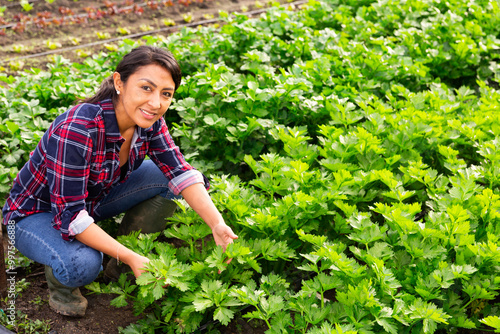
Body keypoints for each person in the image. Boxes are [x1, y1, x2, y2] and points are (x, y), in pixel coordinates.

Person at [2, 45, 238, 317]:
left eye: (166, 94)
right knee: (83, 264)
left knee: (168, 179)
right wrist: (127, 253)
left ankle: (124, 266)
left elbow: (180, 172)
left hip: (92, 199)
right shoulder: (78, 129)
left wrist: (217, 224)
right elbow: (69, 214)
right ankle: (65, 282)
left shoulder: (148, 121)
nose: (155, 103)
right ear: (119, 83)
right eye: (146, 88)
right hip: (35, 213)